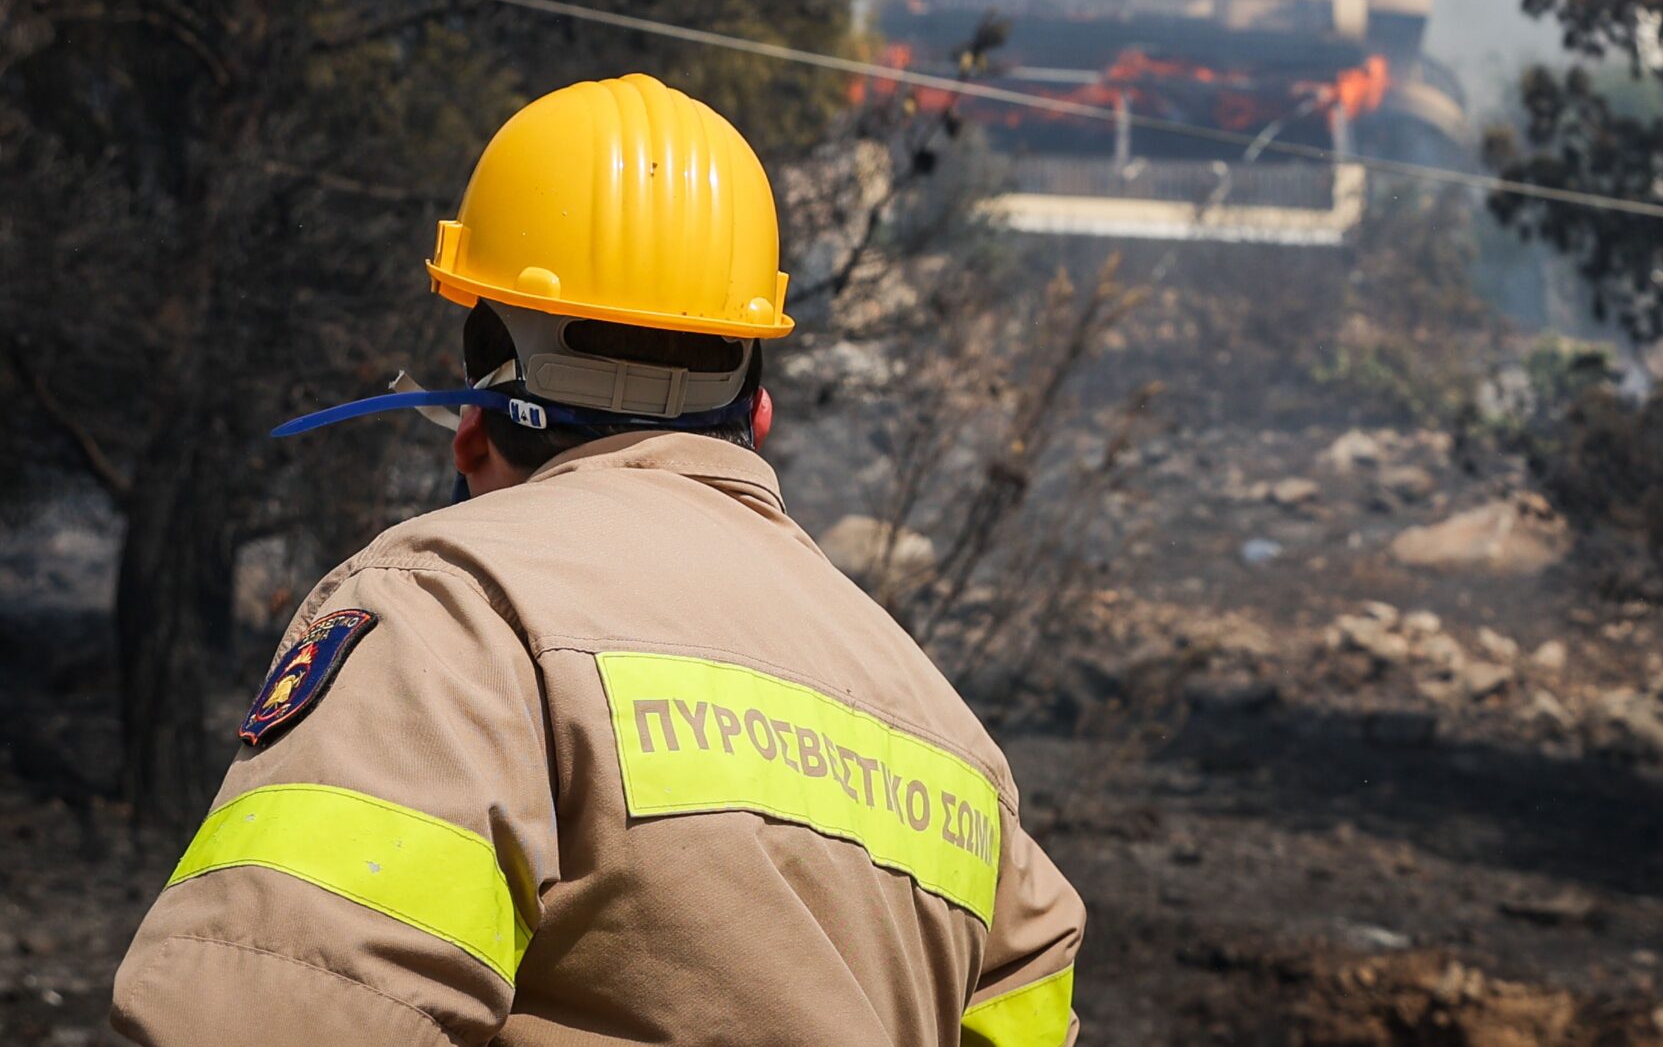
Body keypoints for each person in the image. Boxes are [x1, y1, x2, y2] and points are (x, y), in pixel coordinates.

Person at [109, 73, 1084, 1046]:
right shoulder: (951, 742)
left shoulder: (455, 613)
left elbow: (265, 1015)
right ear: (758, 414)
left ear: (473, 435)